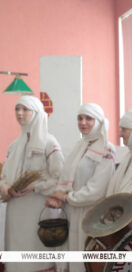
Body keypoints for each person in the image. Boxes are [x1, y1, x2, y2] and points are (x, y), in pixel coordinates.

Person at [46, 103, 115, 272]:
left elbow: (98, 188)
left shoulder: (107, 149)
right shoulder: (80, 146)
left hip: (91, 213)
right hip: (71, 211)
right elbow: (66, 175)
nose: (83, 123)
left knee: (86, 260)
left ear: (98, 121)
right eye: (80, 118)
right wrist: (59, 195)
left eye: (89, 119)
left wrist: (68, 197)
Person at [0, 95, 64, 272]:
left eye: (25, 109)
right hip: (15, 210)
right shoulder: (14, 145)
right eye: (17, 109)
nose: (20, 113)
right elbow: (4, 176)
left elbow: (59, 178)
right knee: (16, 251)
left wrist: (35, 186)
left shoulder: (49, 143)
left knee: (35, 250)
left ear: (36, 113)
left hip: (37, 208)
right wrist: (4, 187)